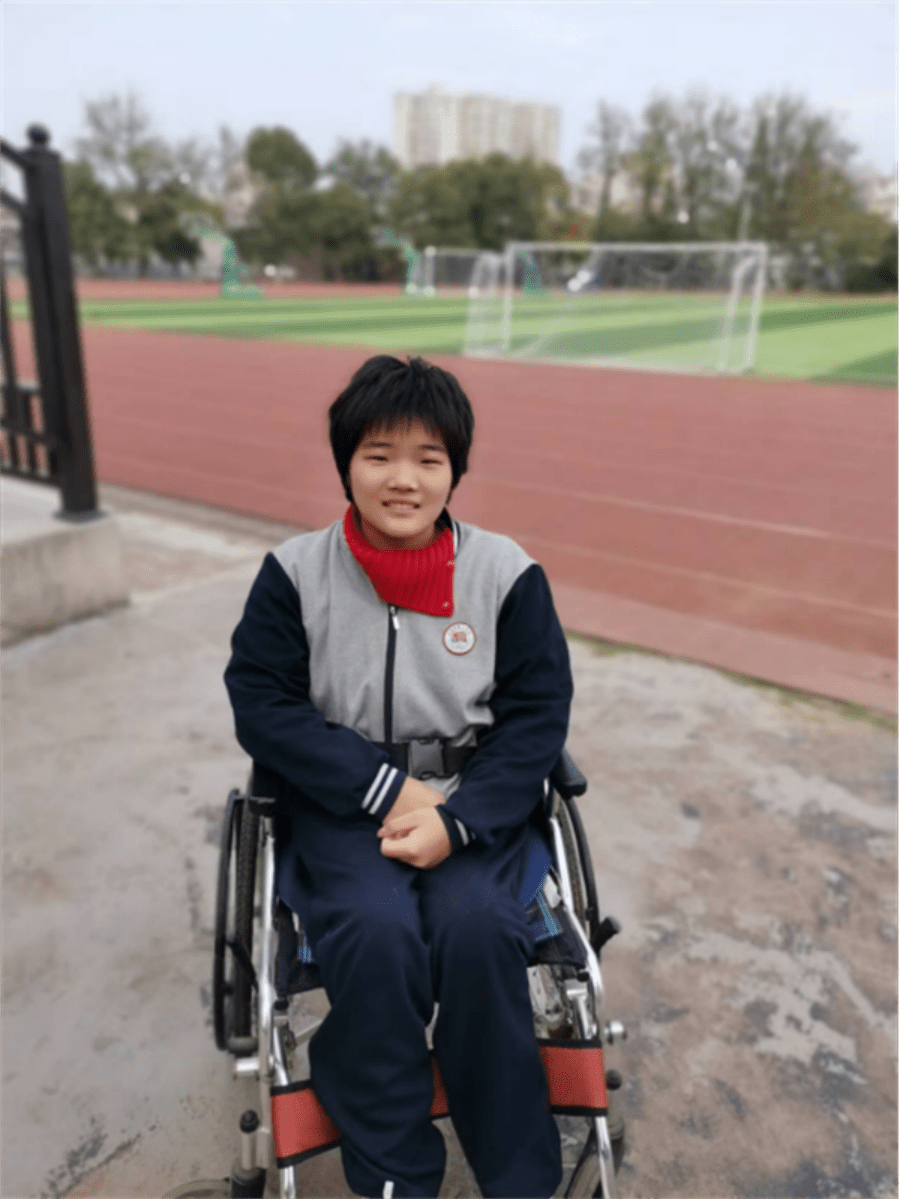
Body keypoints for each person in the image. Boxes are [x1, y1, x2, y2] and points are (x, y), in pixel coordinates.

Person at [224, 354, 573, 1199]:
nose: (404, 479)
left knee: (479, 931)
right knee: (376, 937)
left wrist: (460, 819)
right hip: (341, 806)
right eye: (379, 454)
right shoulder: (294, 572)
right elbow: (261, 702)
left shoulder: (506, 573)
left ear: (456, 469)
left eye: (429, 458)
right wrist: (380, 788)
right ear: (346, 462)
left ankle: (519, 1179)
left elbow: (537, 716)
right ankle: (394, 1175)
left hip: (474, 805)